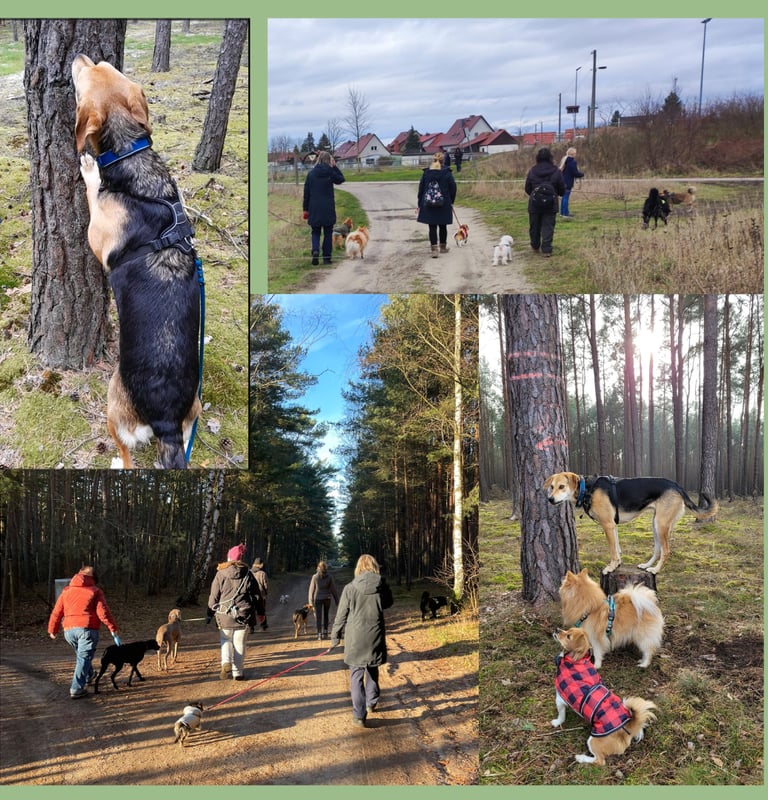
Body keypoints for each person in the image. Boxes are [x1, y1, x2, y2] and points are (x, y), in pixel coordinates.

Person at [330, 554, 393, 728]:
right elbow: (389, 603)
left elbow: (341, 614)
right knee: (372, 669)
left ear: (358, 568)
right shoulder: (381, 585)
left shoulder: (350, 588)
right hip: (375, 635)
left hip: (355, 638)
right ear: (374, 567)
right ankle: (371, 702)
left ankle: (359, 716)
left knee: (356, 675)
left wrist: (335, 636)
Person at [47, 565, 121, 699]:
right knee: (83, 658)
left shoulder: (66, 591)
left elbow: (57, 612)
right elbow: (103, 612)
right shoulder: (95, 591)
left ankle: (89, 675)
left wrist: (53, 629)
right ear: (93, 578)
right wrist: (113, 629)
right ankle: (76, 688)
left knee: (82, 657)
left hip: (69, 631)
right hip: (87, 630)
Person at [207, 544, 261, 681]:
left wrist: (210, 612)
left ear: (229, 558)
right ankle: (238, 673)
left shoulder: (220, 574)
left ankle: (226, 662)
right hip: (243, 615)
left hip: (224, 615)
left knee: (225, 640)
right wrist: (261, 612)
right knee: (239, 644)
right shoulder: (248, 574)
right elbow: (257, 596)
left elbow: (213, 597)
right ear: (240, 559)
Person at [302, 151, 345, 266]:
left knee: (315, 231)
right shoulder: (330, 172)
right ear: (329, 160)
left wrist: (305, 209)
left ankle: (315, 250)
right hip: (328, 208)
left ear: (318, 159)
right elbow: (341, 179)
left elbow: (306, 193)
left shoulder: (311, 174)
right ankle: (326, 258)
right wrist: (335, 166)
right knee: (327, 232)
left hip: (314, 207)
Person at [524, 147, 566, 257]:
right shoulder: (556, 171)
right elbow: (562, 189)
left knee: (534, 226)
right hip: (551, 204)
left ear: (537, 158)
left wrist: (535, 195)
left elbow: (527, 188)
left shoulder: (532, 171)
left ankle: (535, 246)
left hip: (534, 204)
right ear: (550, 158)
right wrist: (557, 193)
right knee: (548, 226)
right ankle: (546, 250)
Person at [417, 150, 457, 257]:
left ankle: (434, 249)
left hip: (429, 203)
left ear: (433, 160)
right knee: (443, 225)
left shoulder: (426, 173)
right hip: (444, 203)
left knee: (432, 227)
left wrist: (419, 203)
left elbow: (421, 189)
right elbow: (453, 188)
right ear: (443, 161)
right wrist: (451, 201)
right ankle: (443, 247)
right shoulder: (447, 173)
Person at [308, 560, 339, 640]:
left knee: (318, 617)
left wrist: (310, 602)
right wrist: (337, 601)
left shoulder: (315, 577)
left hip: (318, 598)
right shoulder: (329, 577)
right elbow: (333, 589)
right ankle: (325, 631)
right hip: (327, 598)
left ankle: (319, 634)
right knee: (326, 615)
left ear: (318, 568)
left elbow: (311, 590)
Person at [558, 147, 584, 218]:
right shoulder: (572, 162)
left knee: (564, 197)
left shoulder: (565, 160)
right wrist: (581, 174)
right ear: (573, 154)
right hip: (568, 182)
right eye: (575, 153)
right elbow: (575, 172)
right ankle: (565, 214)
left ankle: (563, 212)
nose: (576, 154)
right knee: (566, 197)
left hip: (563, 181)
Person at [251, 557, 269, 630]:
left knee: (251, 611)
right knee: (261, 610)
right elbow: (266, 585)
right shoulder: (262, 573)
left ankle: (251, 627)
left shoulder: (249, 572)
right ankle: (263, 625)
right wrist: (266, 593)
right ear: (261, 565)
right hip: (261, 595)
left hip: (251, 594)